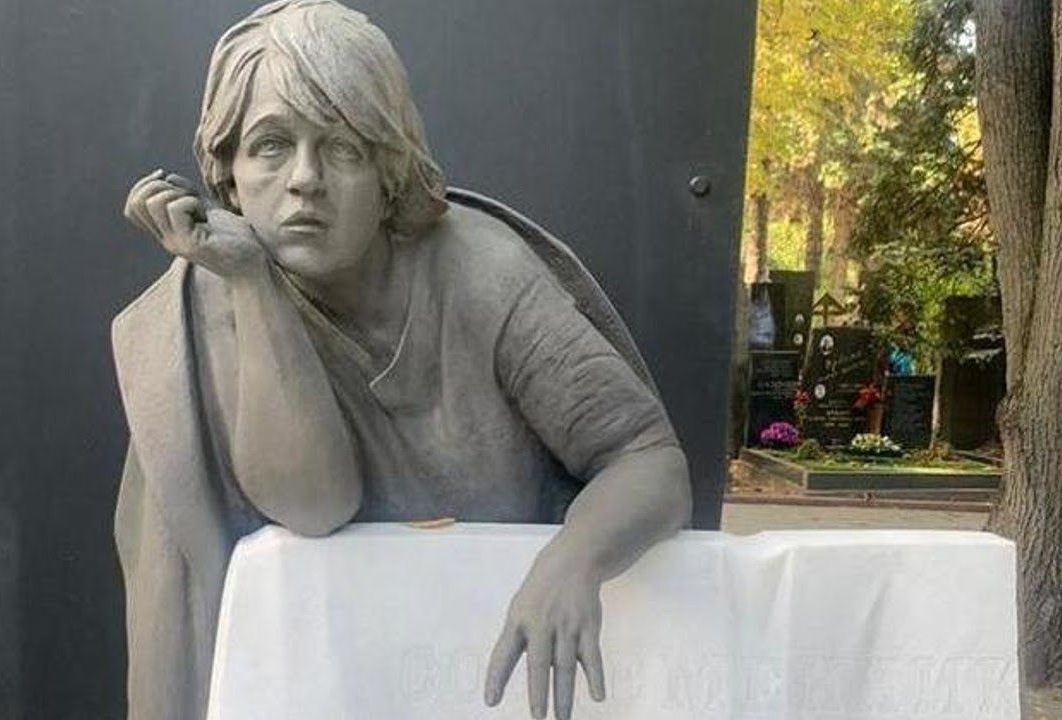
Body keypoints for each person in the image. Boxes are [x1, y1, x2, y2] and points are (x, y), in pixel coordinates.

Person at [115, 2, 690, 718]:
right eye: (270, 145)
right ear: (227, 173)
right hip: (312, 679)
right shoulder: (207, 307)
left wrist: (575, 560)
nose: (304, 179)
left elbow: (647, 458)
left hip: (490, 661)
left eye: (343, 149)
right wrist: (254, 286)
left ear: (389, 171)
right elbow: (314, 504)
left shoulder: (481, 273)